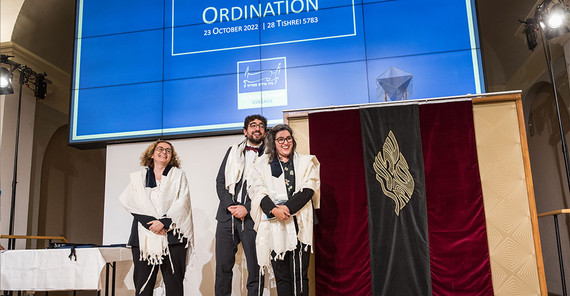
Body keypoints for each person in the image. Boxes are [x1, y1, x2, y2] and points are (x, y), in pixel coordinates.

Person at [249, 124, 320, 296]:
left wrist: (286, 209)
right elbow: (257, 190)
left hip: (298, 223)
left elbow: (309, 189)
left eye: (288, 138)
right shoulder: (262, 164)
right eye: (280, 139)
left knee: (299, 275)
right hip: (274, 225)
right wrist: (273, 210)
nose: (285, 142)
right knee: (281, 276)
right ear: (273, 142)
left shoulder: (304, 162)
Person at [119, 140, 194, 296]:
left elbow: (183, 201)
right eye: (160, 149)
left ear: (172, 156)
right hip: (144, 235)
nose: (164, 152)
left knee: (174, 284)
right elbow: (129, 202)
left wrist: (164, 222)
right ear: (152, 153)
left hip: (173, 234)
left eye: (168, 150)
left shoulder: (178, 176)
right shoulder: (138, 177)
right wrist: (151, 224)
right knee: (143, 285)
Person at [215, 115, 267, 296]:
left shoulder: (270, 156)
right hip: (226, 216)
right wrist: (230, 205)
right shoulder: (232, 152)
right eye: (253, 126)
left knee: (256, 267)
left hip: (253, 217)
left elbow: (269, 189)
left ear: (265, 132)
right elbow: (220, 182)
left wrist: (247, 207)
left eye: (261, 126)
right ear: (245, 131)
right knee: (223, 267)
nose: (257, 129)